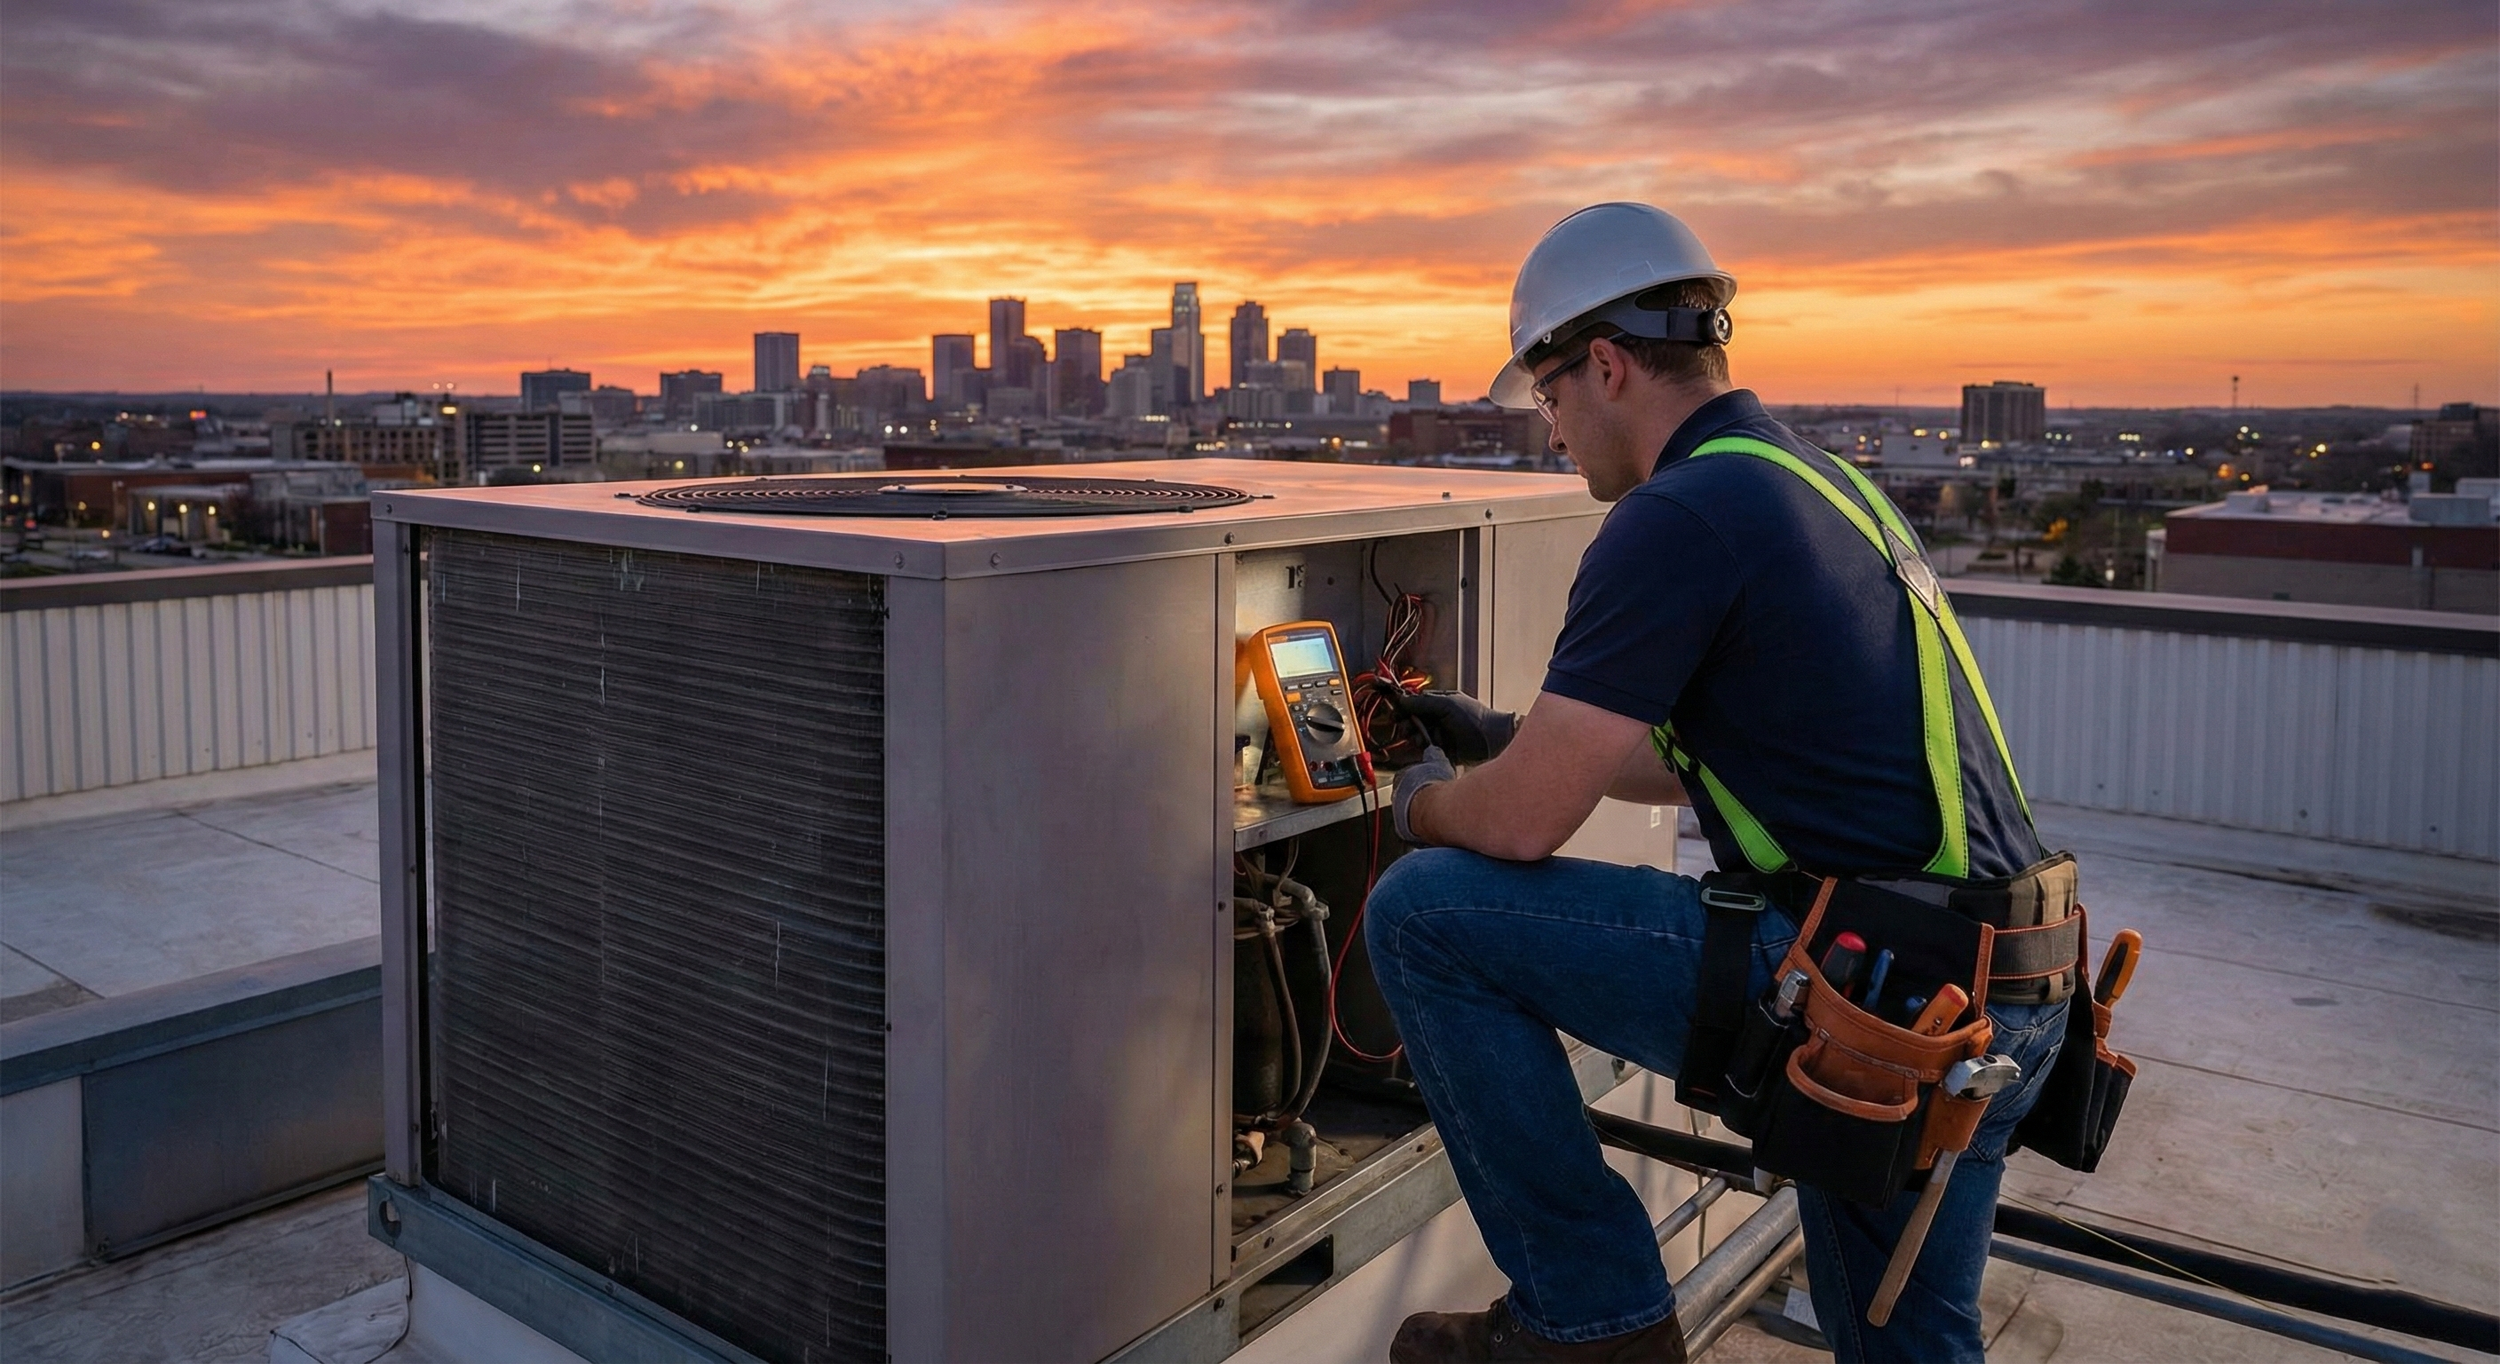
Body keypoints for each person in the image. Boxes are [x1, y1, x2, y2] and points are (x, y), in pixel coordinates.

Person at [1369, 203, 2074, 1364]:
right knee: (1907, 1342)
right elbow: (1726, 763)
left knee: (1423, 914)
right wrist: (1504, 731)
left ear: (1601, 364)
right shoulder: (1811, 480)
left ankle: (1589, 1322)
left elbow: (1521, 823)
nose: (1552, 433)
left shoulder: (1676, 514)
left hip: (1885, 990)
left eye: (1546, 399)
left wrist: (1420, 802)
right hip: (2001, 986)